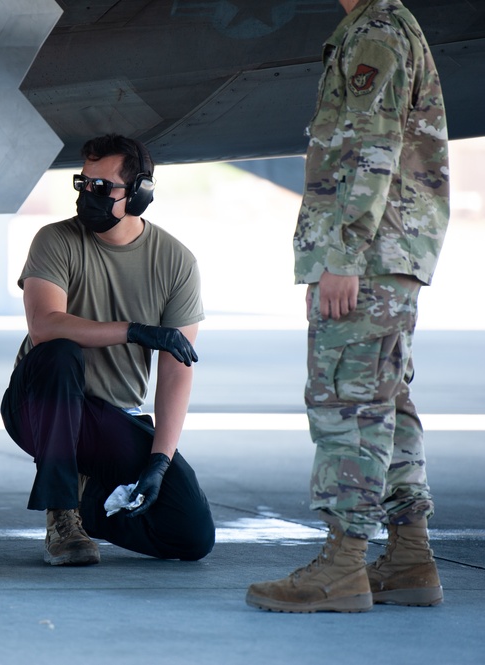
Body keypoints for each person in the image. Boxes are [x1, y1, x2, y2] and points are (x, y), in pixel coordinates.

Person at [246, 0, 449, 612]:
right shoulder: (381, 26)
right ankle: (410, 556)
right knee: (385, 400)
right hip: (391, 252)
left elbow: (371, 147)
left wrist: (343, 256)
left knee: (347, 403)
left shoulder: (376, 33)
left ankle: (341, 565)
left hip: (370, 252)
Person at [0, 134, 215, 567]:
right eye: (83, 184)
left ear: (139, 195)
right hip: (39, 405)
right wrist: (135, 332)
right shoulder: (55, 240)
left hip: (105, 419)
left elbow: (177, 369)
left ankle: (90, 503)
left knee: (192, 535)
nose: (87, 197)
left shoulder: (176, 262)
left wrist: (159, 461)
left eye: (102, 188)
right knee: (60, 352)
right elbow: (44, 326)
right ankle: (62, 514)